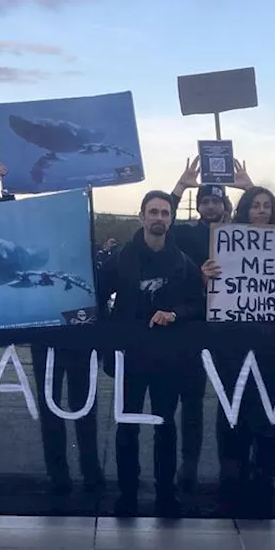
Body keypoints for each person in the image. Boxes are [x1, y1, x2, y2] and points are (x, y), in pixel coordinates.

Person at [97, 190, 204, 517]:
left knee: (165, 425)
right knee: (126, 425)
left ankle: (165, 492)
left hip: (167, 358)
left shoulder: (182, 261)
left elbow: (198, 304)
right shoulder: (121, 258)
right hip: (129, 356)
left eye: (164, 213)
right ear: (142, 216)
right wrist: (106, 337)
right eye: (153, 212)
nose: (159, 218)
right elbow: (98, 295)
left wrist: (176, 314)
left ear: (170, 220)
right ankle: (127, 492)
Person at [201, 186, 275, 516]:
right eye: (255, 205)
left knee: (269, 417)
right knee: (232, 415)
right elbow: (209, 296)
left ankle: (264, 485)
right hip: (232, 348)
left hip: (274, 349)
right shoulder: (224, 243)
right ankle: (231, 483)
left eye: (267, 206)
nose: (261, 211)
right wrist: (205, 280)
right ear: (244, 210)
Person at [168, 176, 233, 495]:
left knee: (229, 399)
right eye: (205, 201)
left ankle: (229, 464)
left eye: (215, 201)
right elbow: (163, 221)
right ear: (200, 205)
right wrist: (180, 188)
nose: (210, 206)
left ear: (224, 205)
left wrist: (247, 188)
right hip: (194, 324)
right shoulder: (184, 233)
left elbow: (274, 234)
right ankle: (188, 464)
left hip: (228, 326)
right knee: (191, 399)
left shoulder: (239, 234)